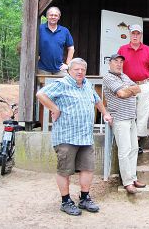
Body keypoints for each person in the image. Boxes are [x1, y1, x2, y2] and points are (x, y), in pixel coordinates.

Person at [36, 58, 112, 216]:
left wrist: (105, 113)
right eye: (76, 69)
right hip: (66, 136)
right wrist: (55, 109)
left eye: (83, 70)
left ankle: (84, 198)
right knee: (65, 170)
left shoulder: (87, 85)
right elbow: (41, 94)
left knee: (88, 168)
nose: (80, 72)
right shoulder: (62, 83)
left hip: (85, 136)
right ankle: (65, 201)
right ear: (69, 70)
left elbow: (97, 100)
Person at [103, 54, 146, 194]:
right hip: (120, 118)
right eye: (116, 61)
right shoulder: (108, 77)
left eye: (121, 61)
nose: (119, 64)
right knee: (125, 151)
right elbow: (121, 93)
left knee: (134, 149)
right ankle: (127, 182)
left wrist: (128, 90)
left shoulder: (124, 76)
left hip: (131, 118)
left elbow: (138, 89)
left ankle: (133, 178)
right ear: (110, 63)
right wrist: (128, 90)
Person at [118, 24, 149, 153]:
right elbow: (118, 67)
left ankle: (137, 141)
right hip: (129, 85)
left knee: (143, 113)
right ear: (130, 34)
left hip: (144, 84)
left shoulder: (147, 49)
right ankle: (130, 141)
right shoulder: (123, 49)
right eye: (133, 33)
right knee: (129, 113)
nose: (135, 36)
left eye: (137, 33)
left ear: (140, 35)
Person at [38, 6, 75, 75]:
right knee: (45, 86)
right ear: (47, 16)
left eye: (56, 15)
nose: (53, 17)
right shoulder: (40, 29)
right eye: (51, 15)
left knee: (65, 84)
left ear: (59, 17)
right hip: (42, 68)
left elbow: (71, 48)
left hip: (60, 68)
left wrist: (67, 64)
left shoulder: (64, 31)